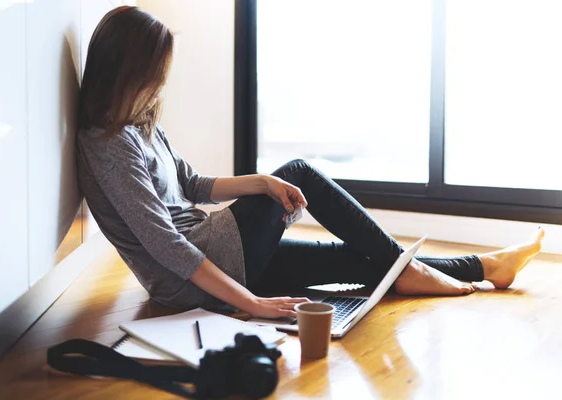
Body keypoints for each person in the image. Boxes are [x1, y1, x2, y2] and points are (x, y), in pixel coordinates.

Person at [76, 6, 544, 319]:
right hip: (193, 276)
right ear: (125, 70)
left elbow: (191, 183)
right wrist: (252, 304)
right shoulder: (107, 145)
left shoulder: (139, 124)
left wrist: (261, 183)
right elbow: (167, 246)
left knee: (356, 261)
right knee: (300, 171)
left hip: (219, 256)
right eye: (154, 76)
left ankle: (486, 267)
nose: (159, 87)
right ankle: (415, 271)